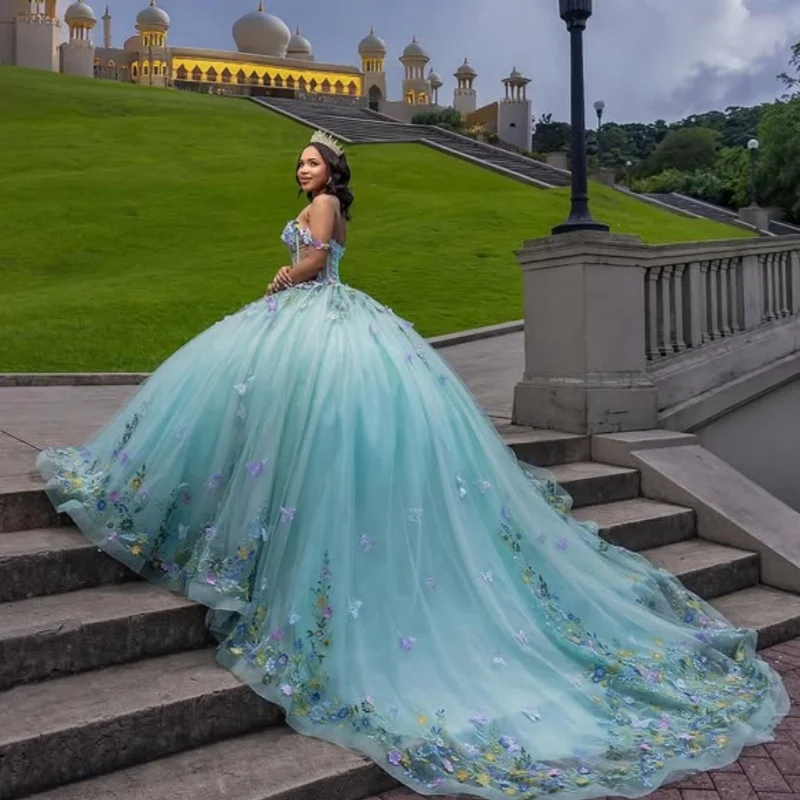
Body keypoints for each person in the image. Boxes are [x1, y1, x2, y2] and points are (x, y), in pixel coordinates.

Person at [38, 130, 788, 800]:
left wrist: (283, 275)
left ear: (331, 169)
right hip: (314, 319)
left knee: (299, 419)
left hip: (316, 313)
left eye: (310, 161)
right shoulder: (323, 200)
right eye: (298, 162)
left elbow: (314, 260)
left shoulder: (327, 205)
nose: (302, 171)